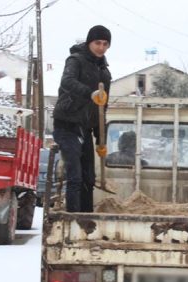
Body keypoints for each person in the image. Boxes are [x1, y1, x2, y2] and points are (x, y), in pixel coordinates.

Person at [52, 25, 112, 212]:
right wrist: (90, 93)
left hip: (85, 128)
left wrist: (100, 141)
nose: (101, 47)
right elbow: (67, 82)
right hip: (67, 125)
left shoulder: (104, 72)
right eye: (97, 43)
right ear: (89, 42)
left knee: (88, 178)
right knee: (75, 176)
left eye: (105, 44)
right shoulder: (75, 60)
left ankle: (87, 219)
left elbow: (102, 108)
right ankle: (73, 220)